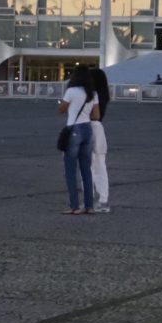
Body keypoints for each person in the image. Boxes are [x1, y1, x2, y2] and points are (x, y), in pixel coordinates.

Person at [59, 68, 100, 214]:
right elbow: (96, 115)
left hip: (74, 130)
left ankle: (74, 206)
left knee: (70, 170)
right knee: (86, 170)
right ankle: (89, 206)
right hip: (88, 130)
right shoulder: (93, 93)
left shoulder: (71, 91)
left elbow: (61, 110)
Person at [88, 67, 112, 213]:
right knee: (100, 166)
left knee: (88, 167)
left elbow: (93, 115)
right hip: (98, 130)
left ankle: (90, 199)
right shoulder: (103, 95)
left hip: (89, 128)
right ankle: (103, 199)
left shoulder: (92, 95)